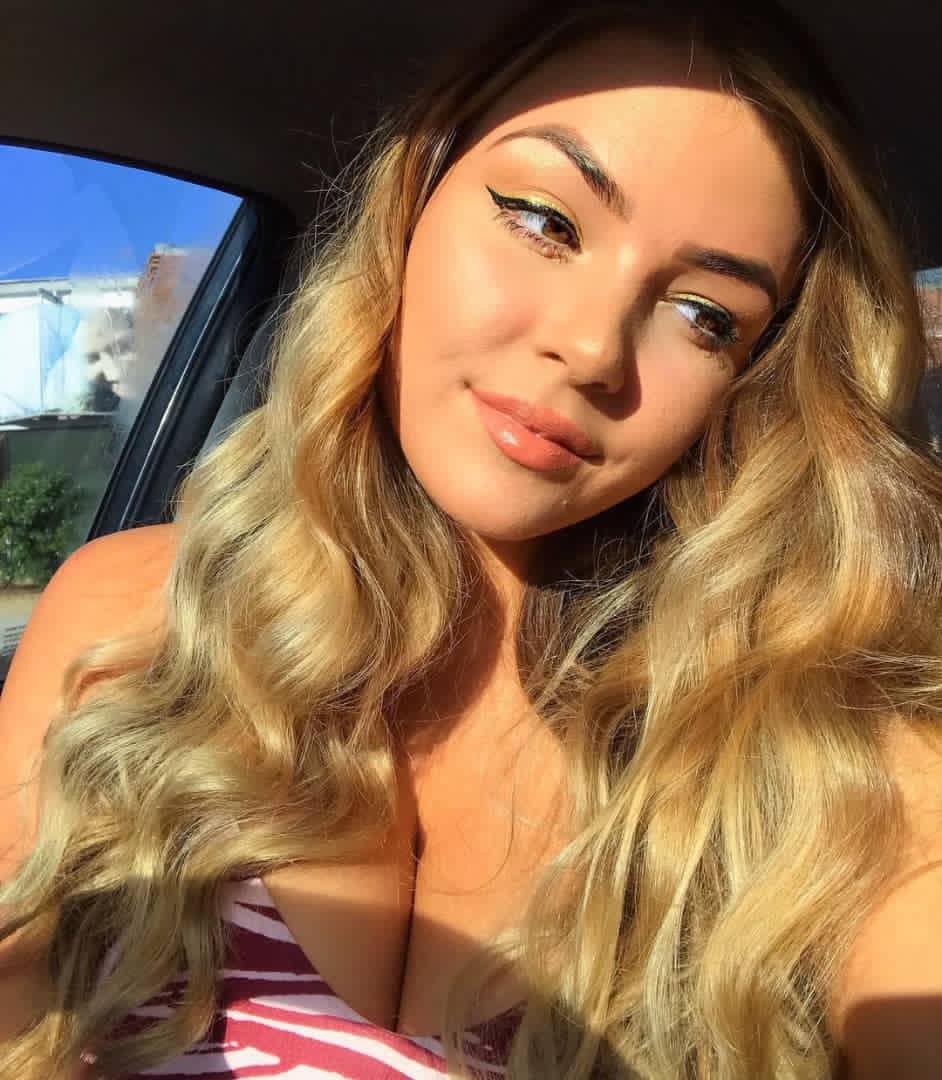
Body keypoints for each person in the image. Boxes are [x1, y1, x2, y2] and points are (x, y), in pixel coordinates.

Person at [2, 0, 942, 1076]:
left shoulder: (833, 760)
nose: (593, 349)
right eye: (546, 221)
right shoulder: (128, 620)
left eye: (705, 315)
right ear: (413, 197)